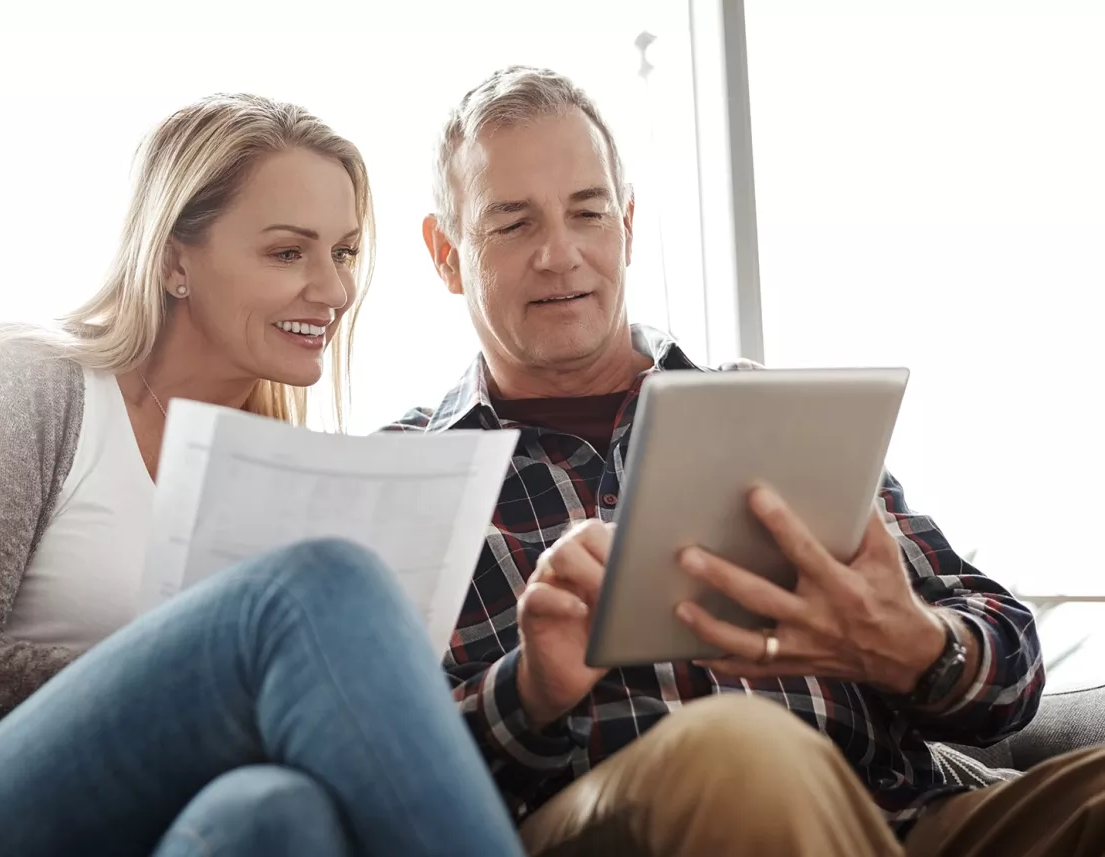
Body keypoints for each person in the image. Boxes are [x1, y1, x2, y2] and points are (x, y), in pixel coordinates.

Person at [388, 65, 1105, 857]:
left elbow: (1010, 667)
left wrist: (913, 644)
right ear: (446, 252)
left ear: (626, 221)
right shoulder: (406, 478)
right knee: (738, 749)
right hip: (630, 820)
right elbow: (383, 776)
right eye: (513, 224)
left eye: (588, 211)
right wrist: (531, 690)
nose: (561, 255)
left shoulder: (773, 414)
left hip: (905, 817)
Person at [0, 94, 526, 857]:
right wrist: (207, 661)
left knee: (279, 813)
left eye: (344, 252)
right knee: (320, 586)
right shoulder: (25, 384)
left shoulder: (285, 466)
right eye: (288, 252)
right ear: (176, 259)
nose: (334, 289)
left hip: (165, 827)